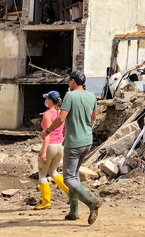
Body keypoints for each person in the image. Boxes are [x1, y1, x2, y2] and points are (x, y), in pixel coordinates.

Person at [41, 70, 102, 225]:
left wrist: (47, 131)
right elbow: (94, 117)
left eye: (69, 81)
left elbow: (61, 118)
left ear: (74, 81)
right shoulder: (91, 96)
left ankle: (92, 201)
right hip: (87, 141)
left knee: (68, 179)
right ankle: (74, 211)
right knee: (74, 176)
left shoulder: (70, 95)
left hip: (73, 143)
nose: (68, 83)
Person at [34, 90, 69, 210]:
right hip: (60, 146)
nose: (45, 101)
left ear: (49, 101)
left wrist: (43, 151)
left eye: (46, 99)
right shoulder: (61, 113)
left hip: (51, 146)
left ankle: (46, 202)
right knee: (54, 172)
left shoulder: (47, 114)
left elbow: (47, 133)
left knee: (42, 174)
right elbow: (64, 131)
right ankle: (70, 193)